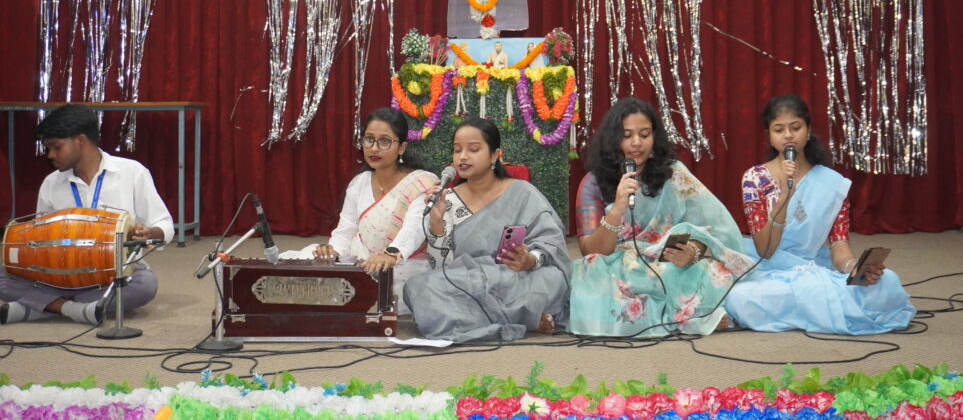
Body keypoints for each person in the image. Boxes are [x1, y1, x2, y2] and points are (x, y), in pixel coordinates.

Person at [723, 94, 916, 334]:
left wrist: (854, 268)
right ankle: (823, 306)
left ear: (808, 130)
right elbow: (766, 250)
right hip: (768, 269)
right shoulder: (755, 178)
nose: (788, 135)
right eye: (779, 129)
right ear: (770, 136)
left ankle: (807, 305)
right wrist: (783, 197)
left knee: (888, 282)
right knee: (740, 297)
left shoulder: (832, 183)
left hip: (811, 268)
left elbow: (839, 244)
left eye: (796, 127)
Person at [568, 97, 752, 337]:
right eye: (627, 135)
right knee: (591, 272)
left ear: (654, 138)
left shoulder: (674, 175)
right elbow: (590, 251)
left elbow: (713, 229)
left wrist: (692, 252)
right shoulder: (593, 183)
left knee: (711, 271)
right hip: (617, 266)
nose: (636, 142)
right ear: (613, 139)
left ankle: (676, 313)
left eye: (644, 134)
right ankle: (687, 316)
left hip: (665, 263)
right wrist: (617, 210)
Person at [0, 104, 173, 325]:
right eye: (48, 148)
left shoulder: (132, 172)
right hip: (57, 276)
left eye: (56, 147)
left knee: (144, 284)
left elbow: (164, 224)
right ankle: (73, 308)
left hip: (110, 274)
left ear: (80, 141)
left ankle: (41, 307)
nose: (50, 155)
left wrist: (151, 232)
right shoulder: (51, 183)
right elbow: (40, 240)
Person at [404, 118, 569, 341]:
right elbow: (441, 268)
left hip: (515, 278)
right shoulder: (448, 200)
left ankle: (492, 318)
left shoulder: (522, 192)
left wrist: (529, 260)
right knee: (418, 287)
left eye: (473, 149)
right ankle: (522, 318)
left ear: (495, 155)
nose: (462, 157)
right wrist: (436, 223)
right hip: (470, 282)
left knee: (553, 278)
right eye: (457, 150)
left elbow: (551, 244)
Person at [313, 107, 437, 314]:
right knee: (306, 271)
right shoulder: (360, 182)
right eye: (369, 139)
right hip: (360, 258)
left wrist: (391, 254)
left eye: (384, 141)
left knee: (384, 295)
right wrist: (333, 252)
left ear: (402, 147)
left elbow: (415, 228)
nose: (374, 148)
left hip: (403, 265)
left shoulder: (422, 182)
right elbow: (346, 230)